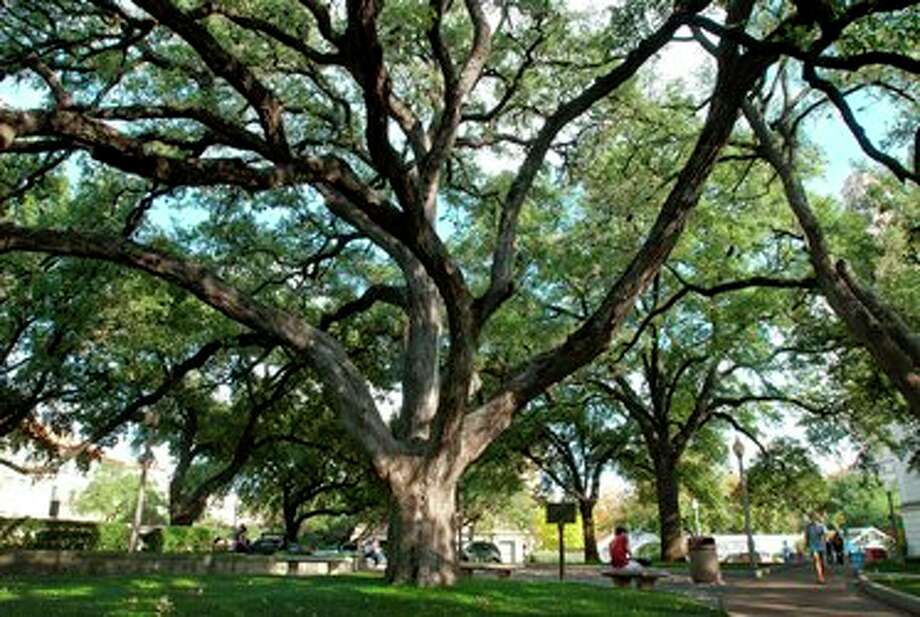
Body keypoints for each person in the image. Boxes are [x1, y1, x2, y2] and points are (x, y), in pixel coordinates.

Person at [804, 514, 828, 583]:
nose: (813, 520)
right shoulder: (808, 527)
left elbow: (826, 534)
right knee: (817, 560)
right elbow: (806, 536)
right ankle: (820, 577)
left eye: (814, 518)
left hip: (821, 545)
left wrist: (824, 536)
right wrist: (806, 545)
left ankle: (822, 573)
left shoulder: (822, 526)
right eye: (811, 518)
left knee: (822, 561)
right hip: (813, 546)